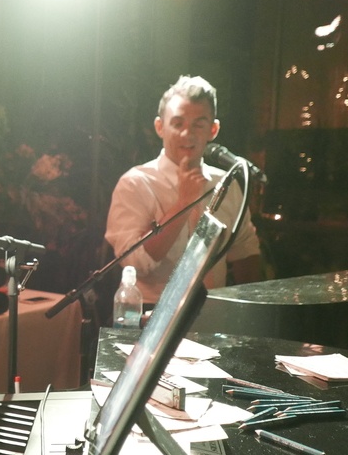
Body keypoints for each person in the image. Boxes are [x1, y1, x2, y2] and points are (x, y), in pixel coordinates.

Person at [104, 75, 261, 305]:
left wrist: (250, 311)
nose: (188, 134)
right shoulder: (136, 183)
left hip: (212, 313)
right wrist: (184, 203)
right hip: (149, 315)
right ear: (160, 127)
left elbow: (245, 250)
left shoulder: (226, 184)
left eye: (199, 124)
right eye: (178, 123)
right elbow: (136, 263)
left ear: (213, 130)